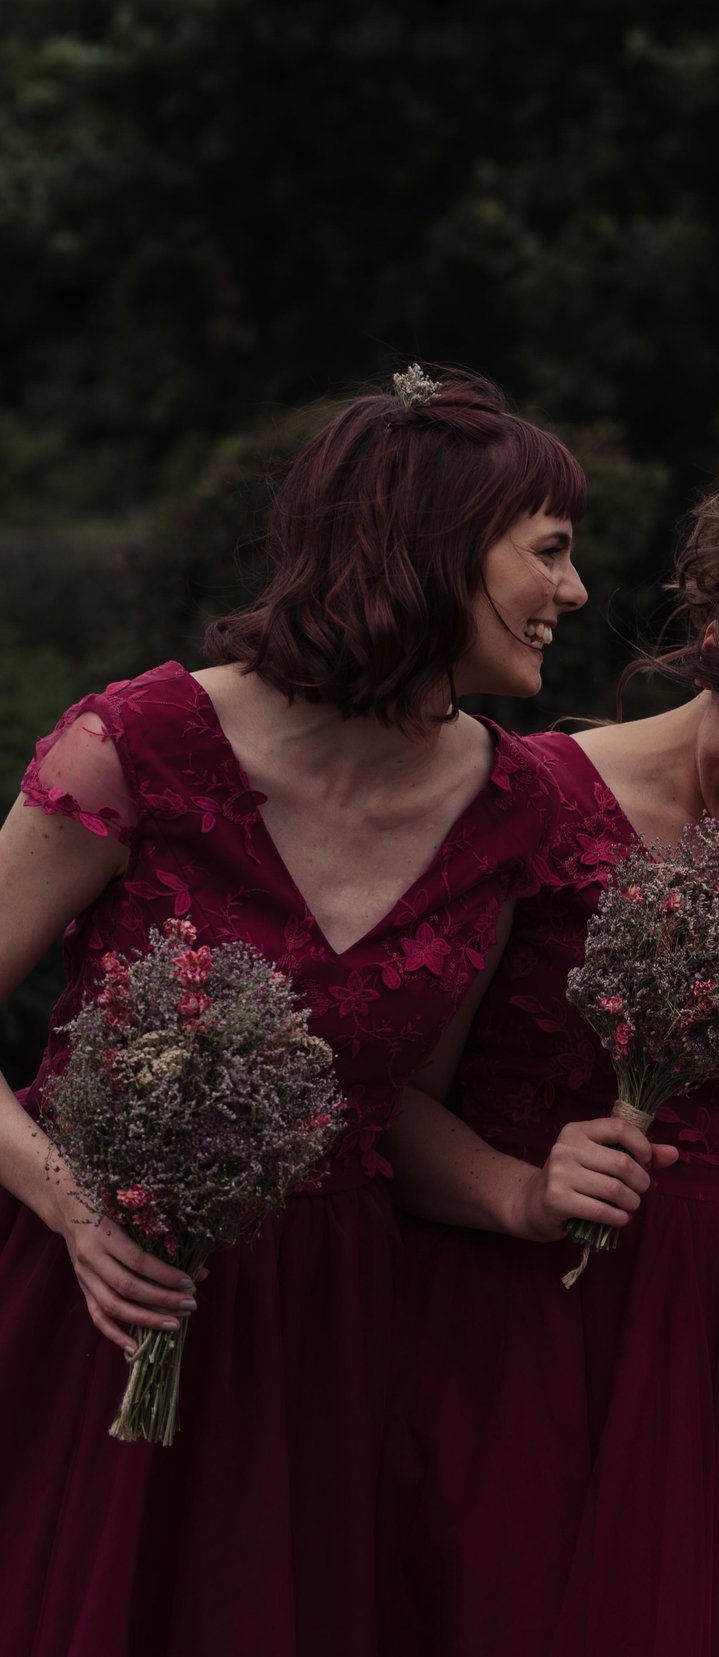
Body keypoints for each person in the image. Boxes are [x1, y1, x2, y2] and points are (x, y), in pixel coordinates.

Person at [0, 365, 587, 1657]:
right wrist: (77, 1209)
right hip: (93, 1289)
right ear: (438, 550)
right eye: (547, 550)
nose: (574, 591)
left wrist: (524, 1192)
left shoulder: (512, 807)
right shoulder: (136, 744)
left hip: (327, 1330)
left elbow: (400, 1110)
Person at [381, 471, 719, 1657]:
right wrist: (519, 1190)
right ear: (708, 653)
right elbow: (388, 1107)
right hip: (519, 1344)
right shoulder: (519, 798)